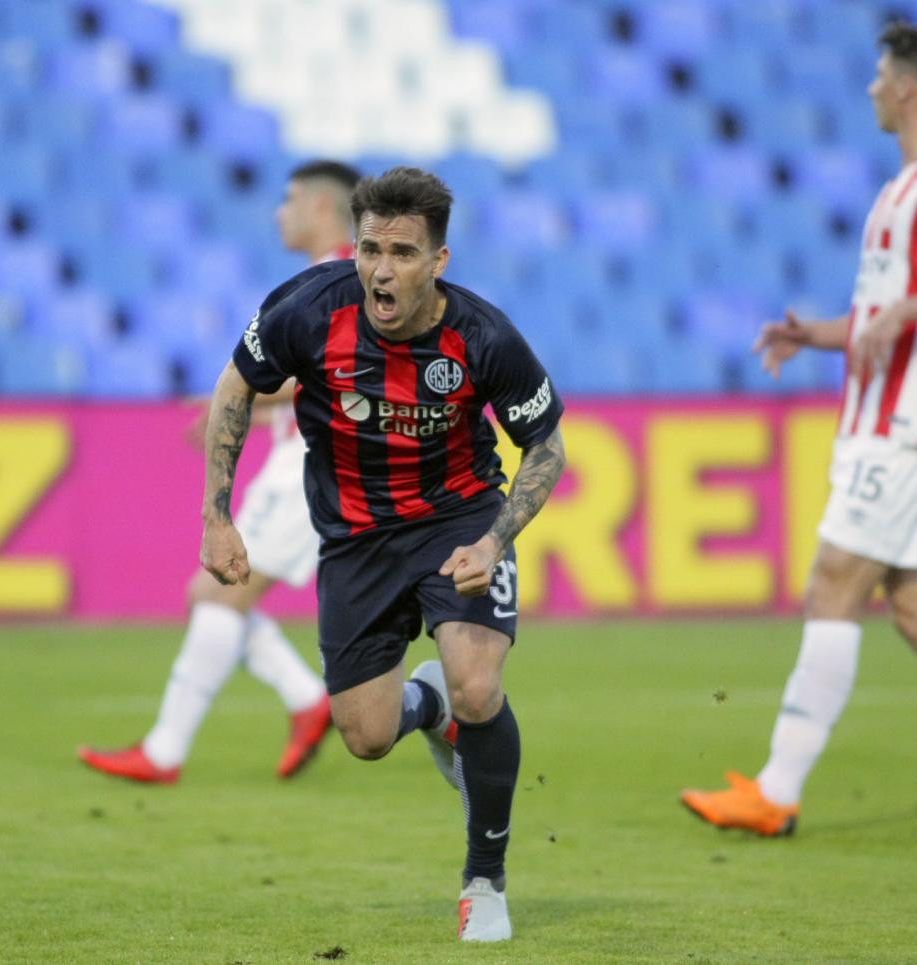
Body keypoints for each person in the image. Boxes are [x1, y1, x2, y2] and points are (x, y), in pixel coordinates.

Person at [681, 22, 917, 838]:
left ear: (910, 88)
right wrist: (814, 332)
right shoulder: (902, 189)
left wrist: (912, 310)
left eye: (880, 73)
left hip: (912, 425)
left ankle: (775, 790)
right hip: (884, 423)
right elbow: (885, 313)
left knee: (833, 580)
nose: (871, 86)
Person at [200, 167, 565, 941]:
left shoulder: (483, 335)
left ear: (439, 260)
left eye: (402, 251)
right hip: (355, 539)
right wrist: (216, 516)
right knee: (365, 735)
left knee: (477, 682)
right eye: (370, 248)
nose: (381, 269)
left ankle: (485, 881)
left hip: (456, 521)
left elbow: (546, 446)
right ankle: (425, 706)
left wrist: (496, 536)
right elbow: (236, 386)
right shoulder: (308, 309)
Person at [79, 160, 363, 783]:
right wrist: (252, 414)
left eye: (288, 200)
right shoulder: (337, 277)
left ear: (320, 208)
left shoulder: (340, 278)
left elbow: (326, 376)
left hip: (314, 465)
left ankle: (165, 751)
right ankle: (303, 699)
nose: (277, 212)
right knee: (211, 591)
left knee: (216, 591)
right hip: (308, 453)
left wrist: (234, 401)